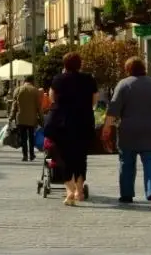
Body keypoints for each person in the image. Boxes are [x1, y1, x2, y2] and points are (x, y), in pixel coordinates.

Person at [102, 57, 151, 208]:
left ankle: (126, 194)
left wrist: (107, 128)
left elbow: (113, 109)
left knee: (126, 162)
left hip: (128, 130)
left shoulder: (123, 84)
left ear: (128, 69)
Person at [46, 53, 98, 206]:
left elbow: (52, 98)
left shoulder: (58, 79)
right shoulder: (89, 79)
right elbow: (94, 101)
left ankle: (69, 191)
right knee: (81, 156)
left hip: (62, 123)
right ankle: (79, 191)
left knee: (65, 156)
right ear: (80, 64)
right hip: (83, 122)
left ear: (64, 65)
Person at [9, 75, 42, 162]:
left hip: (20, 118)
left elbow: (14, 106)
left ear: (25, 81)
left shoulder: (18, 90)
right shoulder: (35, 91)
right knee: (31, 137)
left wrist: (11, 117)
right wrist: (42, 118)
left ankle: (24, 155)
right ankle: (31, 154)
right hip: (32, 119)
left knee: (23, 137)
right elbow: (39, 107)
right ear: (32, 81)